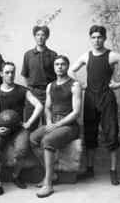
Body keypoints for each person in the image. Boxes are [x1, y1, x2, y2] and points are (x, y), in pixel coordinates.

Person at [68, 25, 120, 185]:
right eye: (93, 37)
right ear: (90, 38)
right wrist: (82, 84)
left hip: (106, 97)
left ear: (104, 38)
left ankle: (113, 171)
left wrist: (119, 84)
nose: (96, 40)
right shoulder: (86, 57)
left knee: (111, 134)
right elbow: (70, 71)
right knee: (90, 134)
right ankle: (90, 169)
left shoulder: (112, 55)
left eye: (99, 37)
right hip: (90, 98)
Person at [0, 62, 43, 199]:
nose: (10, 75)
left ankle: (15, 176)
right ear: (1, 73)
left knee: (22, 150)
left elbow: (39, 105)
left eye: (12, 72)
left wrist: (29, 122)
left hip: (19, 129)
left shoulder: (22, 90)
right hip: (2, 129)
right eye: (7, 72)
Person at [30, 55, 82, 197]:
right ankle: (51, 174)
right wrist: (48, 122)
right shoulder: (50, 86)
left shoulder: (75, 85)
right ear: (54, 67)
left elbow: (76, 112)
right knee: (33, 138)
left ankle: (48, 184)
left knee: (47, 140)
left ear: (67, 66)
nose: (59, 67)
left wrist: (57, 125)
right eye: (57, 64)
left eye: (63, 64)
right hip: (53, 123)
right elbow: (47, 107)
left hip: (70, 126)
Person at [21, 25, 58, 131]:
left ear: (47, 37)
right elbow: (25, 75)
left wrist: (51, 92)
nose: (40, 37)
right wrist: (30, 92)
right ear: (34, 37)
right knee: (30, 125)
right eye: (38, 35)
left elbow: (57, 77)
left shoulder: (53, 55)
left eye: (43, 35)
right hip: (33, 94)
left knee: (49, 126)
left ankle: (46, 146)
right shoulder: (28, 55)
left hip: (49, 93)